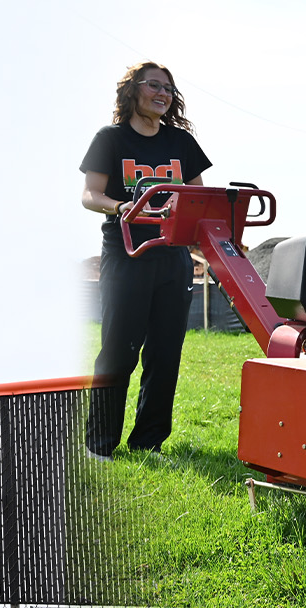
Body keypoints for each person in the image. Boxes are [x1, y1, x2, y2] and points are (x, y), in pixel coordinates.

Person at [79, 62, 212, 457]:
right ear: (132, 90)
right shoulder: (110, 139)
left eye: (168, 89)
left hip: (173, 257)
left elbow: (199, 198)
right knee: (118, 351)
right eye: (154, 85)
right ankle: (100, 444)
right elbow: (90, 194)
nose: (163, 93)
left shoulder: (181, 142)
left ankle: (148, 443)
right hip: (127, 256)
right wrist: (121, 206)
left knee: (165, 354)